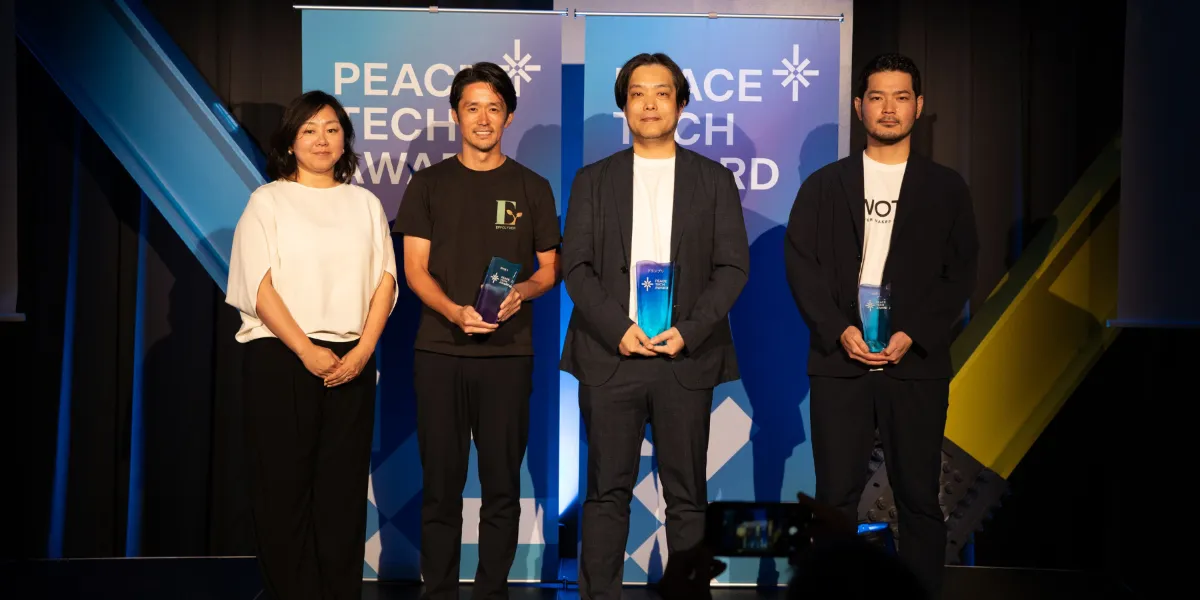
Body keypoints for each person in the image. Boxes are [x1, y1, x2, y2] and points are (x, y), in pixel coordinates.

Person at [784, 52, 979, 599]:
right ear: (858, 106)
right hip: (839, 361)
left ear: (918, 106)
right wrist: (838, 329)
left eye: (900, 97)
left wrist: (912, 332)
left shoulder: (946, 187)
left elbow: (960, 271)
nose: (888, 108)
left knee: (918, 498)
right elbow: (800, 264)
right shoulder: (825, 185)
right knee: (834, 500)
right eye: (877, 97)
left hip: (913, 363)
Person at [560, 52, 750, 600]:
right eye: (637, 93)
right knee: (605, 495)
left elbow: (733, 267)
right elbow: (576, 266)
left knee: (687, 498)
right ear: (623, 106)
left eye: (661, 93)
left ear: (680, 104)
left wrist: (689, 330)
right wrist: (616, 328)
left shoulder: (713, 180)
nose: (649, 104)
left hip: (682, 358)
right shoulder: (593, 180)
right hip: (611, 356)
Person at [392, 61, 561, 600]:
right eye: (472, 108)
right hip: (439, 353)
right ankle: (438, 591)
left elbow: (549, 269)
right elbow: (414, 269)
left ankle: (491, 593)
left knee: (502, 488)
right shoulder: (428, 184)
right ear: (455, 115)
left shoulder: (532, 187)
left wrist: (523, 292)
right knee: (440, 488)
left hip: (509, 356)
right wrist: (453, 310)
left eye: (493, 108)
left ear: (509, 116)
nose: (483, 118)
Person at [225, 90, 398, 600]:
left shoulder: (365, 204)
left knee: (342, 491)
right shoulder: (268, 201)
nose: (322, 140)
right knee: (282, 489)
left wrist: (362, 352)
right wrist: (306, 350)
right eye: (309, 130)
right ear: (290, 142)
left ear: (345, 140)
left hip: (352, 360)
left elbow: (385, 281)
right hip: (282, 357)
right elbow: (258, 285)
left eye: (332, 129)